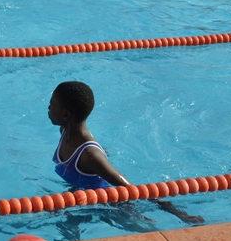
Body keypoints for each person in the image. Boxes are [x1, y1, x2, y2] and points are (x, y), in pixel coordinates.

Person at [49, 81, 203, 225]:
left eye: (52, 105)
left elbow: (131, 189)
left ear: (66, 115)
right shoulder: (64, 132)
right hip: (79, 197)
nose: (48, 109)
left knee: (148, 233)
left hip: (110, 205)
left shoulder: (90, 155)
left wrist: (177, 213)